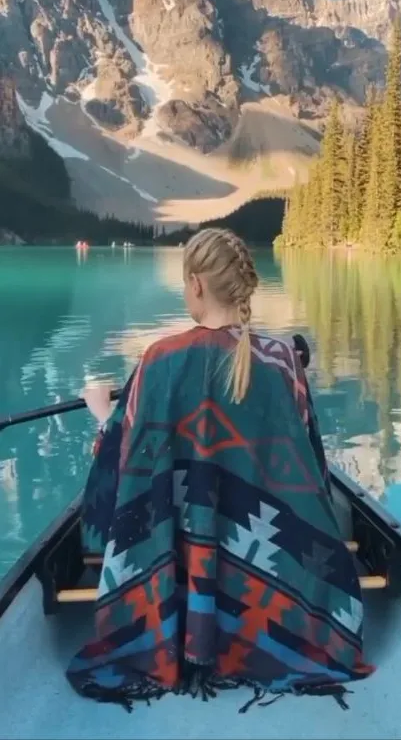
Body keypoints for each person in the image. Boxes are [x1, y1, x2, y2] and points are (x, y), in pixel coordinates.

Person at [67, 228, 372, 713]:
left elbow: (124, 463)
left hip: (181, 548)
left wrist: (105, 415)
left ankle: (183, 623)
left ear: (195, 284)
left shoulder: (158, 361)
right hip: (269, 560)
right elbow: (311, 466)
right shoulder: (282, 360)